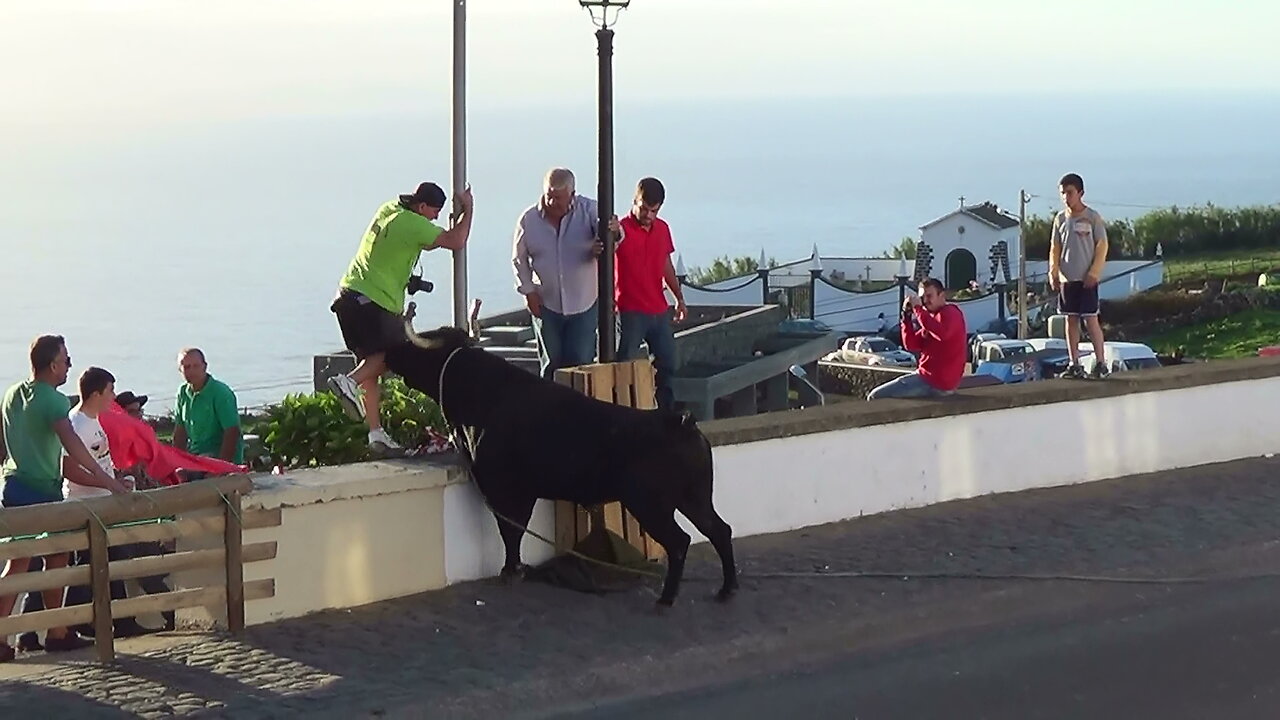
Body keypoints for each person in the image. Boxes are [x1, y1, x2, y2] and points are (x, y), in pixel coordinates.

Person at [0, 336, 125, 660]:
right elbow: (73, 447)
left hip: (13, 485)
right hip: (42, 489)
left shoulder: (12, 395)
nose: (69, 365)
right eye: (66, 360)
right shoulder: (55, 402)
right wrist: (106, 480)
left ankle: (19, 634)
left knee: (21, 562)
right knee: (53, 556)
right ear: (53, 365)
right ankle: (54, 631)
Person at [328, 181, 474, 450]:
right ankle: (347, 381)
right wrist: (469, 208)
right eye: (434, 212)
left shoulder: (389, 209)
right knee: (395, 355)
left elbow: (394, 249)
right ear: (421, 206)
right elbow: (456, 240)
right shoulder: (412, 223)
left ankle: (375, 433)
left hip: (348, 295)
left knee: (371, 363)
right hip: (374, 300)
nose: (436, 218)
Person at [58, 367, 172, 638]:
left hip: (104, 502)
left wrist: (118, 479)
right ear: (96, 393)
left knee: (111, 559)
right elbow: (68, 468)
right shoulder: (77, 424)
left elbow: (100, 462)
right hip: (85, 504)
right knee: (90, 564)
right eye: (110, 391)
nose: (113, 397)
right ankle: (78, 620)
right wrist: (110, 485)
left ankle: (118, 620)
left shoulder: (96, 421)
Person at [512, 168, 619, 380]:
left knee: (581, 362)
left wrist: (612, 234)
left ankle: (579, 409)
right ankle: (549, 409)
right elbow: (519, 259)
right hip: (547, 304)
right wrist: (528, 291)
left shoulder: (589, 210)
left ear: (572, 193)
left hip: (584, 303)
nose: (552, 202)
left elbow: (613, 236)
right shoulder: (528, 219)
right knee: (551, 363)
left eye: (558, 197)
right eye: (548, 196)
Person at [615, 177, 686, 410]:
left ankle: (665, 413)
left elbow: (666, 264)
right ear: (634, 201)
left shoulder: (663, 229)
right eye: (643, 208)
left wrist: (679, 298)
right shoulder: (621, 230)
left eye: (652, 210)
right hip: (629, 309)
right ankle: (621, 411)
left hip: (658, 308)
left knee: (667, 364)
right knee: (622, 365)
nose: (647, 214)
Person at [1049, 172, 1109, 379]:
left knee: (1091, 320)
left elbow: (1102, 246)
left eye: (1070, 192)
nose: (1066, 197)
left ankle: (1101, 362)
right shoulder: (1059, 219)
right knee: (1070, 320)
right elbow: (1055, 247)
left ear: (1080, 193)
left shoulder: (1092, 217)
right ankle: (1074, 363)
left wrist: (1094, 272)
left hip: (1087, 280)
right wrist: (1053, 271)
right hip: (1068, 279)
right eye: (1063, 193)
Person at [867, 279, 966, 400]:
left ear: (942, 295)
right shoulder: (930, 321)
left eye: (929, 296)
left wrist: (918, 309)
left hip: (933, 381)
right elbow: (911, 344)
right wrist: (906, 317)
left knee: (875, 397)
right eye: (922, 297)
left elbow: (942, 333)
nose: (925, 301)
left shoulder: (951, 312)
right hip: (930, 380)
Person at [173, 348, 244, 464]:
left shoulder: (221, 393)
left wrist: (221, 467)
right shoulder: (182, 392)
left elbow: (232, 431)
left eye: (196, 366)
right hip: (195, 456)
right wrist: (176, 463)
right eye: (186, 367)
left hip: (219, 457)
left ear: (204, 366)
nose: (191, 371)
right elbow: (180, 432)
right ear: (180, 370)